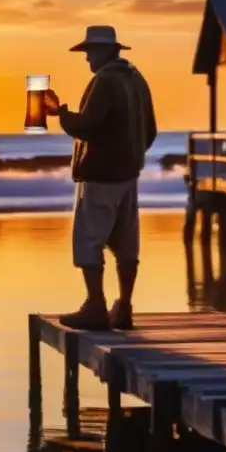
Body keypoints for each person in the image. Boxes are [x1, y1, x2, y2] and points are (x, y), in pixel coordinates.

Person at [43, 25, 157, 331]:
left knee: (89, 241)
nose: (87, 59)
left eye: (90, 52)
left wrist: (60, 112)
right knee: (126, 244)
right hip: (128, 175)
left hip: (100, 177)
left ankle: (95, 306)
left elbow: (87, 126)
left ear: (106, 51)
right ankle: (124, 307)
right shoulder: (136, 79)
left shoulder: (104, 81)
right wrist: (130, 156)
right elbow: (151, 130)